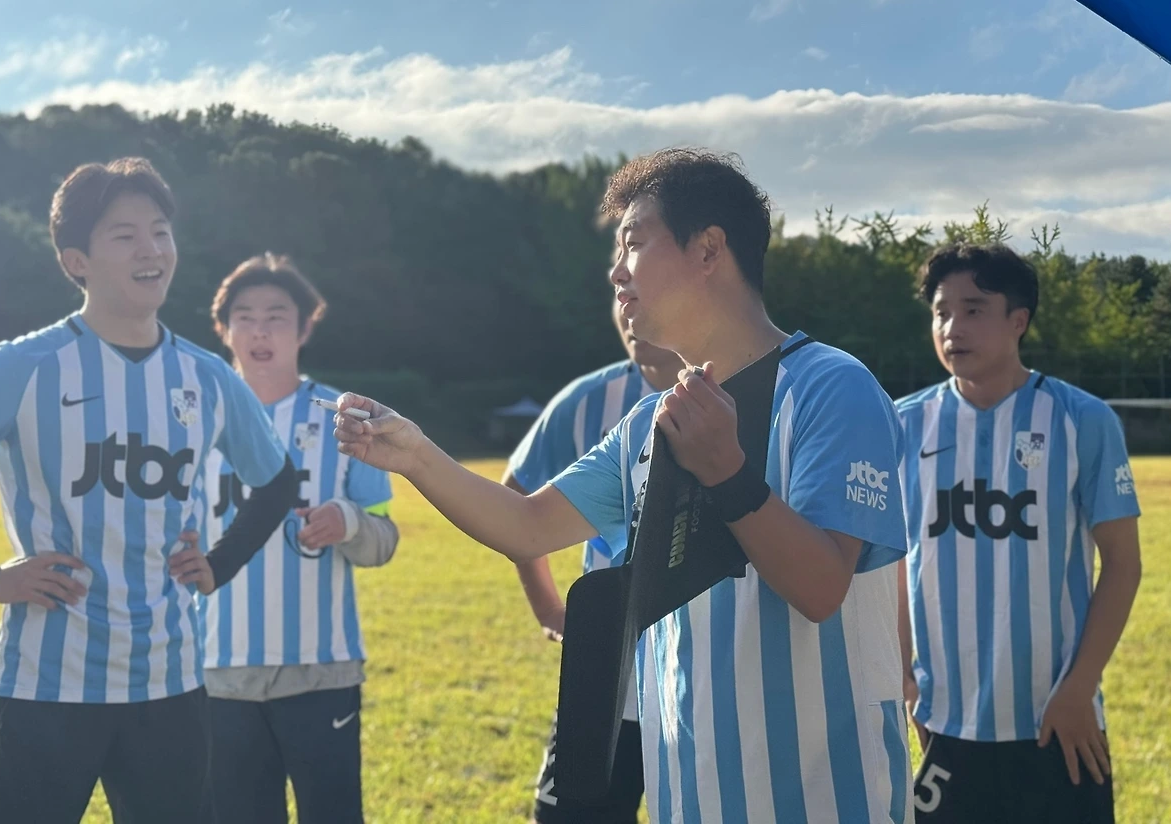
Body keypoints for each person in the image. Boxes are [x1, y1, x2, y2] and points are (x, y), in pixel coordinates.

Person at [333, 148, 914, 824]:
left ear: (708, 250)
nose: (616, 272)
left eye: (634, 243)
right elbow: (527, 525)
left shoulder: (832, 388)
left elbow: (821, 588)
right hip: (689, 799)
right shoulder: (647, 423)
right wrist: (415, 454)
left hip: (826, 802)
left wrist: (727, 474)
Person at [0, 158, 301, 824]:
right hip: (47, 683)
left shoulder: (207, 377)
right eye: (125, 235)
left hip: (169, 682)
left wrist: (220, 563)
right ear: (76, 261)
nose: (151, 249)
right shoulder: (24, 367)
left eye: (160, 231)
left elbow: (278, 482)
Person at [895, 243, 1141, 824]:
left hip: (1059, 719)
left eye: (973, 309)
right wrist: (905, 678)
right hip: (947, 722)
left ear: (1018, 320)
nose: (952, 327)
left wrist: (1079, 689)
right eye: (941, 312)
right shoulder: (902, 424)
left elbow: (1123, 564)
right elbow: (896, 565)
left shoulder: (1082, 419)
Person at [198, 253, 398, 824]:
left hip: (320, 668)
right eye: (245, 317)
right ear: (224, 329)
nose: (260, 332)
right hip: (217, 670)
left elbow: (383, 540)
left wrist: (348, 522)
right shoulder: (193, 419)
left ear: (305, 327)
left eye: (276, 317)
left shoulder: (345, 421)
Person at [506, 295, 681, 824]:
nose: (628, 304)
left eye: (644, 286)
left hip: (698, 678)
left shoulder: (749, 392)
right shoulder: (588, 401)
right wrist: (548, 609)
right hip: (603, 668)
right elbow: (517, 498)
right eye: (620, 291)